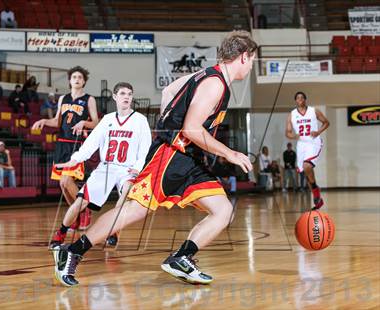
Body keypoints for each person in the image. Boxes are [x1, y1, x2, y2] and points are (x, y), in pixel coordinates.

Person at [53, 30, 257, 287]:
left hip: (188, 159)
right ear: (242, 56)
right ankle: (72, 252)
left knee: (223, 210)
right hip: (171, 156)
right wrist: (230, 153)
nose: (251, 65)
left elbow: (169, 91)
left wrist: (166, 121)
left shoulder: (205, 74)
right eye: (251, 60)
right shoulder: (215, 83)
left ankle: (181, 258)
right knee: (133, 211)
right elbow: (192, 129)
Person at [50, 82, 152, 248]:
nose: (126, 97)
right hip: (106, 168)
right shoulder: (107, 119)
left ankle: (113, 230)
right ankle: (61, 232)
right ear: (115, 97)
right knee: (80, 203)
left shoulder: (140, 120)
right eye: (123, 93)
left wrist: (138, 167)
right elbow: (91, 143)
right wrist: (76, 159)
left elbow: (145, 147)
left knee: (126, 191)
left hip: (127, 169)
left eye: (129, 94)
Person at [32, 66, 99, 229]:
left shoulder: (89, 99)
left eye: (80, 77)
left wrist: (84, 122)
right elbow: (57, 121)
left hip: (76, 146)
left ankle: (84, 210)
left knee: (66, 180)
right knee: (62, 184)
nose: (77, 79)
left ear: (84, 82)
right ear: (70, 80)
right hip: (62, 144)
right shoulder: (63, 98)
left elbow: (96, 123)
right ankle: (75, 214)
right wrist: (43, 121)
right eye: (74, 77)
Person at [286, 91, 329, 209]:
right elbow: (288, 133)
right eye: (297, 98)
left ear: (305, 100)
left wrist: (318, 132)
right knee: (306, 172)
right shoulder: (292, 114)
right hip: (301, 145)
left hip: (313, 143)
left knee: (307, 166)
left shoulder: (314, 111)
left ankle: (316, 191)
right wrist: (294, 136)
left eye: (302, 97)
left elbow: (326, 122)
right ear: (295, 101)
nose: (300, 99)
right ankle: (317, 197)